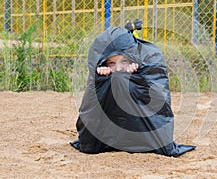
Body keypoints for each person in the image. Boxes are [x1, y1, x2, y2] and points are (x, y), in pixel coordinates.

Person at [71, 26, 195, 157]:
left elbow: (156, 101)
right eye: (111, 63)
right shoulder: (104, 75)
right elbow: (91, 110)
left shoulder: (141, 67)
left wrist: (137, 78)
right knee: (115, 81)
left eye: (124, 61)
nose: (118, 68)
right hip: (105, 136)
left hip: (143, 132)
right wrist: (100, 81)